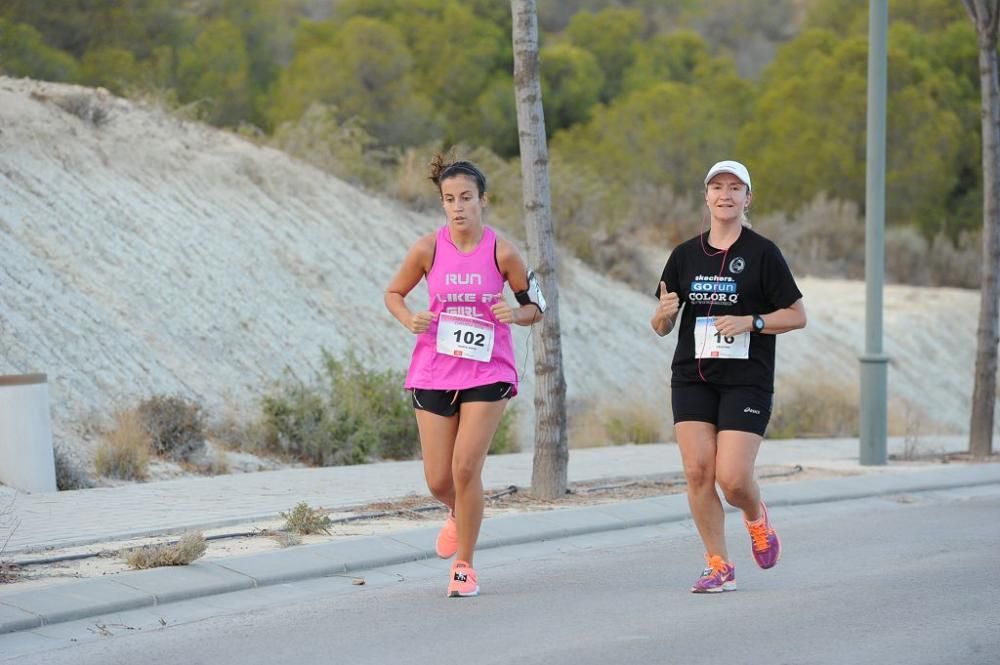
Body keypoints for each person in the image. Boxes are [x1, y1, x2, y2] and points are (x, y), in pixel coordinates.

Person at [385, 155, 542, 598]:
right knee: (439, 480)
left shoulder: (501, 251)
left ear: (483, 201)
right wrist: (408, 318)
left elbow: (537, 306)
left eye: (466, 198)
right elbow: (393, 293)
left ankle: (464, 566)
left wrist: (515, 313)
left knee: (466, 467)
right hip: (434, 369)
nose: (458, 207)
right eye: (449, 199)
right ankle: (460, 512)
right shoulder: (428, 248)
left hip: (488, 371)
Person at [650, 160, 806, 593]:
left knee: (733, 480)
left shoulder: (763, 253)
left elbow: (797, 315)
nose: (725, 195)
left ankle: (756, 517)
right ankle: (718, 564)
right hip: (692, 377)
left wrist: (751, 322)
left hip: (746, 380)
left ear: (747, 198)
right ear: (706, 197)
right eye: (717, 187)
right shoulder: (684, 255)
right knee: (698, 471)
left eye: (735, 188)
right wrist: (662, 317)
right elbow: (662, 324)